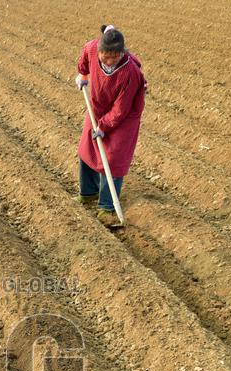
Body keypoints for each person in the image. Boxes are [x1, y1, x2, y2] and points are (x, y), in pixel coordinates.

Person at [76, 24, 147, 229]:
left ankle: (107, 205)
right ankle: (88, 193)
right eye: (105, 57)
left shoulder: (130, 73)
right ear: (100, 51)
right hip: (98, 104)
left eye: (114, 57)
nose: (109, 61)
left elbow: (121, 109)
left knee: (114, 157)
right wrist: (83, 75)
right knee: (88, 147)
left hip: (124, 117)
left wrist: (104, 126)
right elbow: (85, 57)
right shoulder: (93, 48)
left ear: (122, 53)